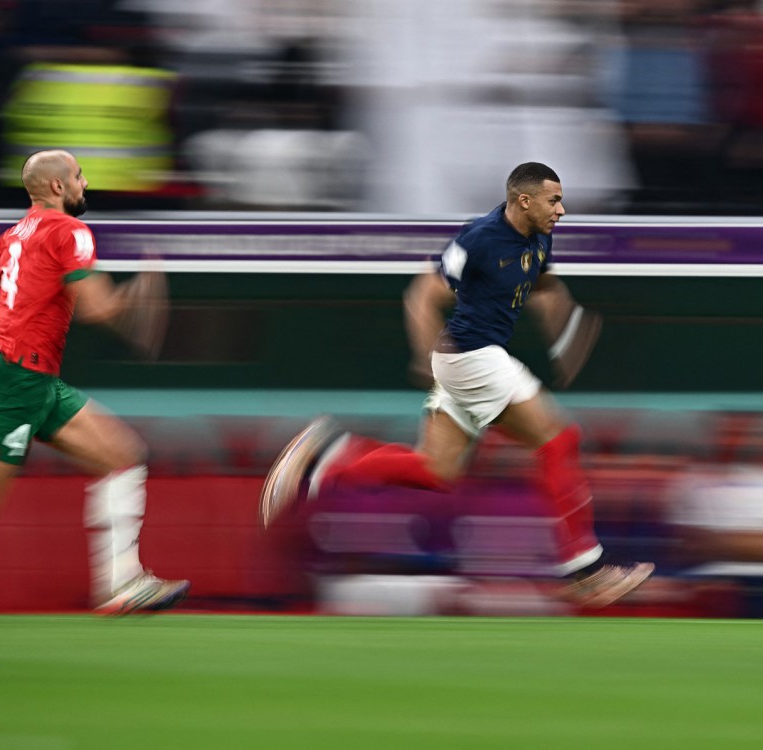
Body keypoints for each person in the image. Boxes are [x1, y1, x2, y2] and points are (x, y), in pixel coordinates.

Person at [261, 162, 653, 608]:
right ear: (523, 200)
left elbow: (543, 284)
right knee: (560, 439)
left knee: (436, 471)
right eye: (553, 200)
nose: (561, 210)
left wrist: (565, 329)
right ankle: (584, 571)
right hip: (472, 358)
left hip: (473, 362)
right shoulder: (479, 238)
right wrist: (423, 354)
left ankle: (326, 457)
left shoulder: (540, 237)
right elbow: (422, 294)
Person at [0, 149, 189, 615]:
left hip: (29, 376)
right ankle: (124, 583)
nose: (85, 182)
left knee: (123, 457)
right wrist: (139, 293)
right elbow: (98, 307)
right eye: (78, 176)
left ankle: (125, 584)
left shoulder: (16, 234)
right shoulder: (71, 231)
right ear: (58, 186)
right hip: (21, 379)